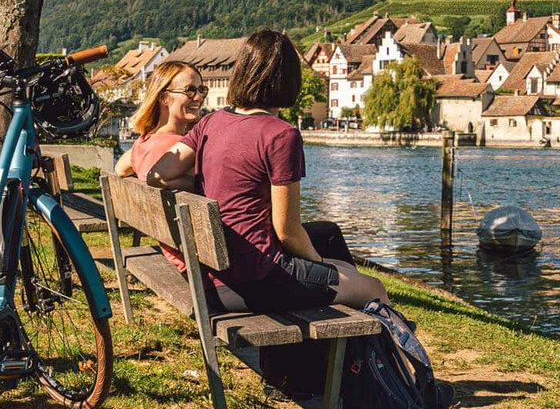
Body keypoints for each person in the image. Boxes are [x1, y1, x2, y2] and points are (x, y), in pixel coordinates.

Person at [146, 29, 385, 313]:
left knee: (337, 253)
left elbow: (157, 174)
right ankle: (376, 357)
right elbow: (287, 232)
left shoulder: (210, 122)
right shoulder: (281, 135)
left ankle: (340, 353)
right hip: (257, 278)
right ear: (288, 79)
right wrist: (318, 262)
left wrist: (207, 184)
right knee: (373, 288)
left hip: (212, 273)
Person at [112, 60, 204, 182]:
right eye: (189, 90)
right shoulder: (182, 147)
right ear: (163, 98)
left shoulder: (143, 143)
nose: (199, 97)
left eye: (201, 90)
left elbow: (120, 169)